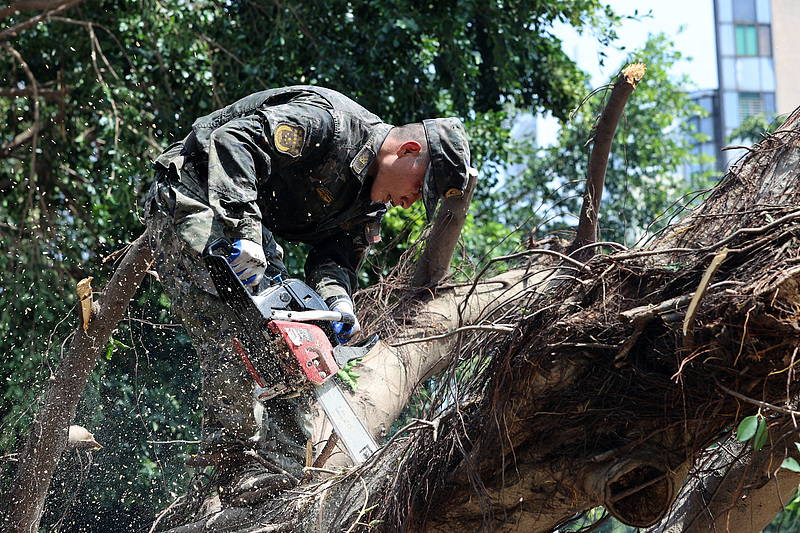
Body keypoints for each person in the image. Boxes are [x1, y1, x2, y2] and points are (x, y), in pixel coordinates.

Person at [143, 85, 471, 506]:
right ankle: (231, 461)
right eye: (417, 189)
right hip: (195, 189)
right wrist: (245, 231)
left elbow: (335, 257)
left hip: (251, 232)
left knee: (292, 339)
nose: (409, 203)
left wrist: (337, 303)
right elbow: (233, 141)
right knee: (230, 325)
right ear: (408, 150)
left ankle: (279, 470)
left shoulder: (369, 206)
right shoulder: (329, 124)